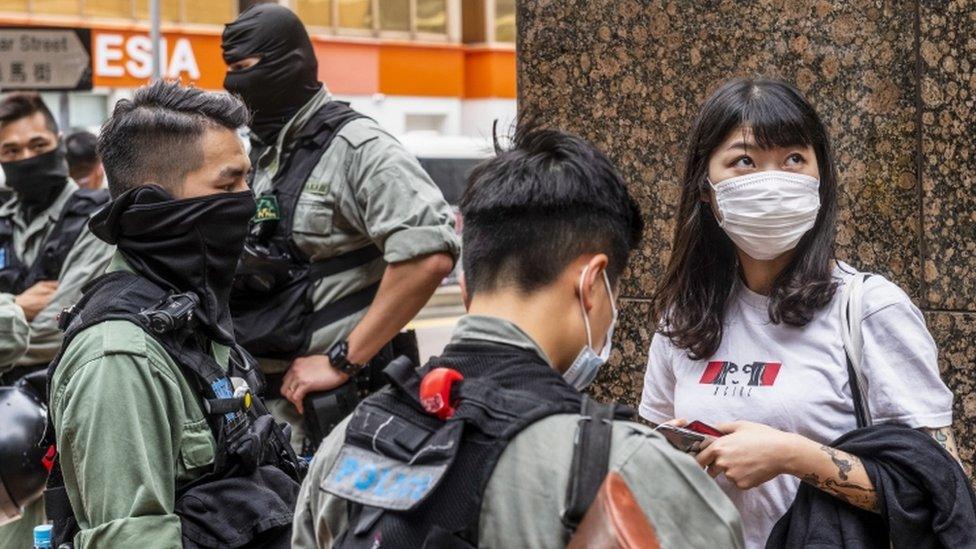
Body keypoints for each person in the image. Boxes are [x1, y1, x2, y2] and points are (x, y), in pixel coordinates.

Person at [293, 127, 745, 548]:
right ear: (592, 284)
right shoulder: (631, 471)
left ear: (467, 285)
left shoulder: (347, 445)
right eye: (615, 296)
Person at [640, 78, 960, 548]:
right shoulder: (681, 320)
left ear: (820, 178)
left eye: (793, 159)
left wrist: (790, 455)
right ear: (705, 189)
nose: (772, 181)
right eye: (744, 161)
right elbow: (653, 470)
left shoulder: (869, 309)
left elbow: (940, 488)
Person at [44, 81, 302, 548]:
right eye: (227, 184)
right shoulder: (120, 358)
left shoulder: (190, 316)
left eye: (247, 179)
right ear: (154, 207)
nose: (247, 200)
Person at [221, 4, 459, 453]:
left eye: (244, 69)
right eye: (228, 70)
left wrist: (343, 360)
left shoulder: (358, 147)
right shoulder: (264, 157)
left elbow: (429, 253)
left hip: (339, 413)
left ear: (290, 64)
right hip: (273, 413)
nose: (233, 83)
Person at [0, 93, 113, 547]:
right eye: (11, 151)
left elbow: (59, 327)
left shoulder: (97, 219)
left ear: (59, 142)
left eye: (37, 143)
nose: (27, 157)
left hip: (67, 430)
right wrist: (19, 306)